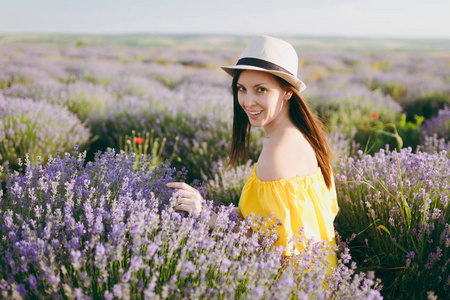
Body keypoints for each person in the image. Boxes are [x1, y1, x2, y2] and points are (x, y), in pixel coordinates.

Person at [167, 35, 339, 268]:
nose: (248, 101)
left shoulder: (277, 152)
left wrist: (204, 214)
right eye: (242, 89)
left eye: (261, 90)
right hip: (316, 276)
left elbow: (265, 243)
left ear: (287, 92)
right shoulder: (302, 135)